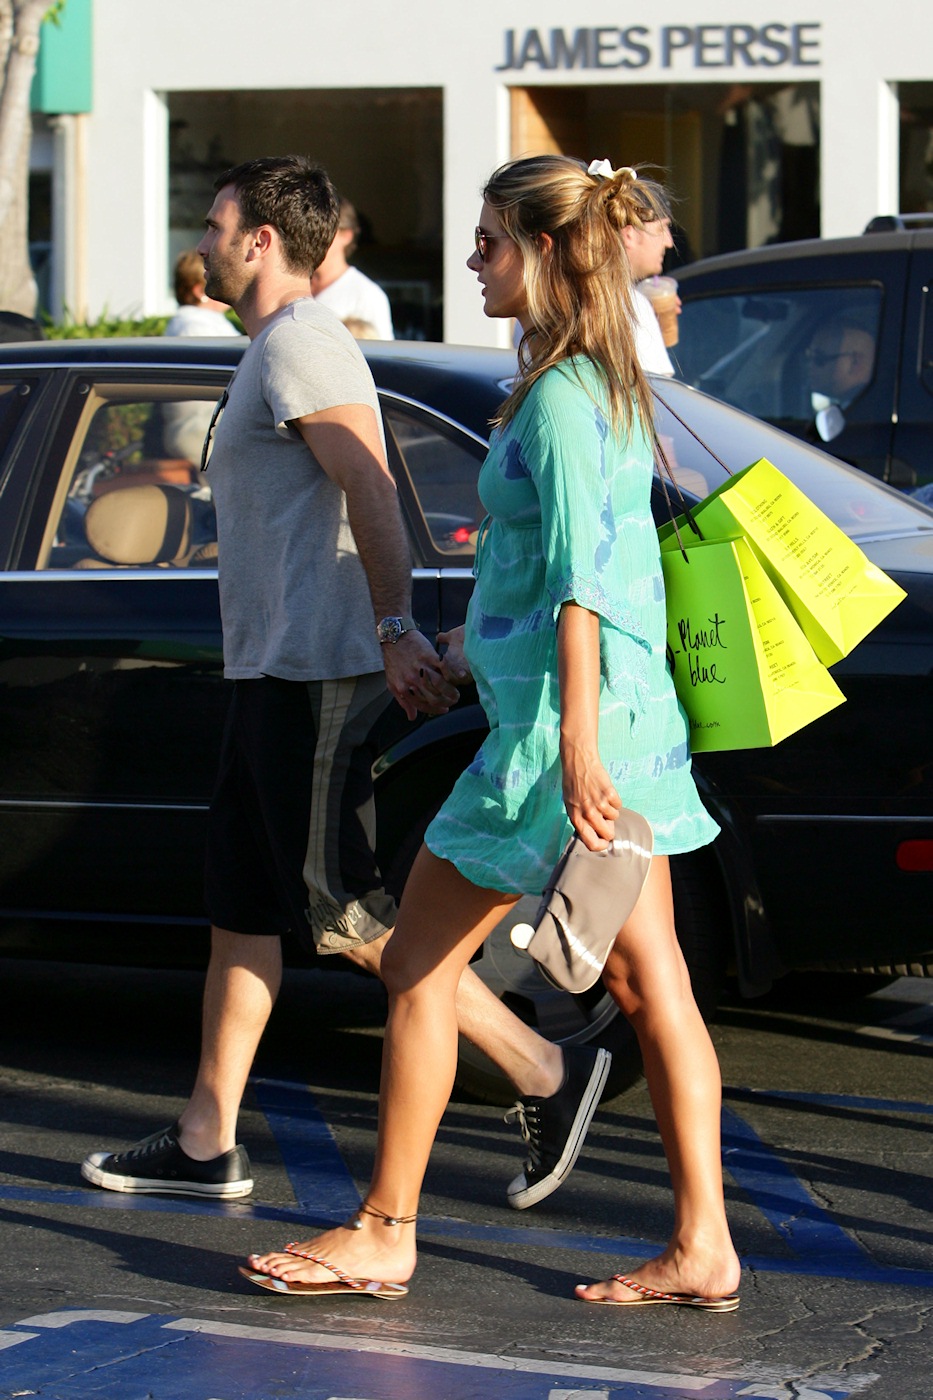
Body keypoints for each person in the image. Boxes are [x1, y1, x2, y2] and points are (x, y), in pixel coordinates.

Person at [242, 155, 741, 1312]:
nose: (473, 260)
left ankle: (383, 1228)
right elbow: (546, 571)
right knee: (653, 975)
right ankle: (704, 1241)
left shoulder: (567, 396)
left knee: (416, 961)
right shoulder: (588, 380)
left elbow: (581, 582)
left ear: (554, 252)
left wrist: (569, 741)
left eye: (490, 241)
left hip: (561, 740)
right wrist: (457, 651)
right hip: (613, 719)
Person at [81, 155, 610, 1214]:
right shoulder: (275, 346)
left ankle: (543, 1065)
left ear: (262, 240)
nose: (207, 238)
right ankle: (206, 1134)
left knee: (349, 912)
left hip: (317, 672)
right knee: (240, 904)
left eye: (219, 222)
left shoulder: (304, 343)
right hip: (270, 664)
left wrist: (395, 626)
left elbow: (370, 481)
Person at [311, 197, 394, 340]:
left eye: (324, 231)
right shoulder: (291, 282)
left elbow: (380, 357)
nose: (314, 237)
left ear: (346, 236)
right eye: (309, 229)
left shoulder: (368, 296)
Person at [806, 318, 875, 406]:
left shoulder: (865, 414)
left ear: (855, 363)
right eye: (809, 357)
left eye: (819, 358)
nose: (810, 365)